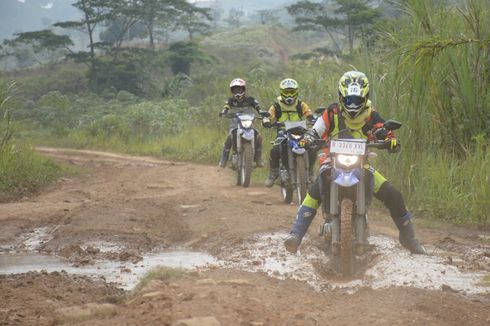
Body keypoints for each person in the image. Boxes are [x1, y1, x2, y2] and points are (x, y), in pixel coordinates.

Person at [284, 71, 426, 255]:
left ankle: (409, 238)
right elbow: (317, 129)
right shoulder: (332, 112)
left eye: (357, 100)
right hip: (331, 162)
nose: (352, 104)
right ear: (341, 96)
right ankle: (296, 235)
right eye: (348, 100)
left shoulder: (370, 114)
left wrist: (390, 139)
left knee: (394, 194)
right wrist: (309, 138)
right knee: (315, 190)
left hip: (362, 165)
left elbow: (382, 130)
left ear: (365, 98)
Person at [263, 78, 315, 187]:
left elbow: (308, 113)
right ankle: (273, 172)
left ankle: (310, 172)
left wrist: (313, 118)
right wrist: (266, 121)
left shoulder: (301, 104)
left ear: (296, 92)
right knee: (275, 149)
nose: (289, 94)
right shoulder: (276, 106)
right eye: (287, 92)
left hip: (300, 131)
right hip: (283, 132)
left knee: (311, 147)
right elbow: (269, 115)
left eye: (292, 91)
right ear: (282, 92)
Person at [218, 78, 264, 168]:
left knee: (258, 137)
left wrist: (262, 113)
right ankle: (224, 159)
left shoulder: (250, 100)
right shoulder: (231, 101)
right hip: (235, 124)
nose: (237, 92)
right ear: (232, 91)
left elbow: (258, 107)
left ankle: (258, 158)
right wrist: (224, 112)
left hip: (249, 125)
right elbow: (226, 107)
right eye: (235, 90)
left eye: (239, 89)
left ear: (243, 89)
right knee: (229, 138)